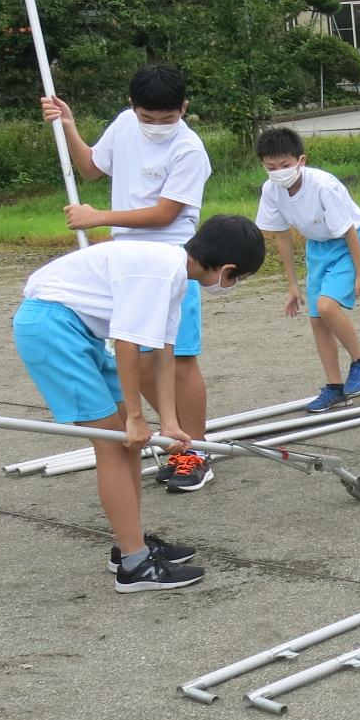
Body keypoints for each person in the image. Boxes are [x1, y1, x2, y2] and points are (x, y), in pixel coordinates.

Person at [12, 216, 266, 592]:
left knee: (129, 445)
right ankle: (134, 566)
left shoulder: (173, 276)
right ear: (227, 269)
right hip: (53, 328)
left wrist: (168, 422)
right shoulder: (160, 273)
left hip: (77, 329)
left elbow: (162, 351)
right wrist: (134, 417)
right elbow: (129, 345)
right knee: (115, 444)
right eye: (237, 279)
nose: (233, 285)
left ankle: (131, 544)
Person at [40, 64, 216, 493]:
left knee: (178, 357)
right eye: (147, 117)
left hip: (173, 257)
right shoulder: (123, 124)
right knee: (134, 355)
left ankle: (197, 452)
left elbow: (165, 213)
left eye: (167, 118)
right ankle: (175, 437)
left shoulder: (190, 150)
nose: (157, 126)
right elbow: (92, 170)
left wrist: (99, 217)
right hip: (125, 262)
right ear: (133, 107)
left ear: (184, 108)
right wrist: (68, 126)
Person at [252, 126, 360, 411]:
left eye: (285, 165)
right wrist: (292, 285)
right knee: (317, 319)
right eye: (271, 167)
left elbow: (349, 231)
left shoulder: (323, 185)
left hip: (349, 243)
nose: (279, 171)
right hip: (317, 248)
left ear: (301, 161)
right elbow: (281, 236)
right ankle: (335, 388)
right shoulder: (271, 190)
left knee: (328, 306)